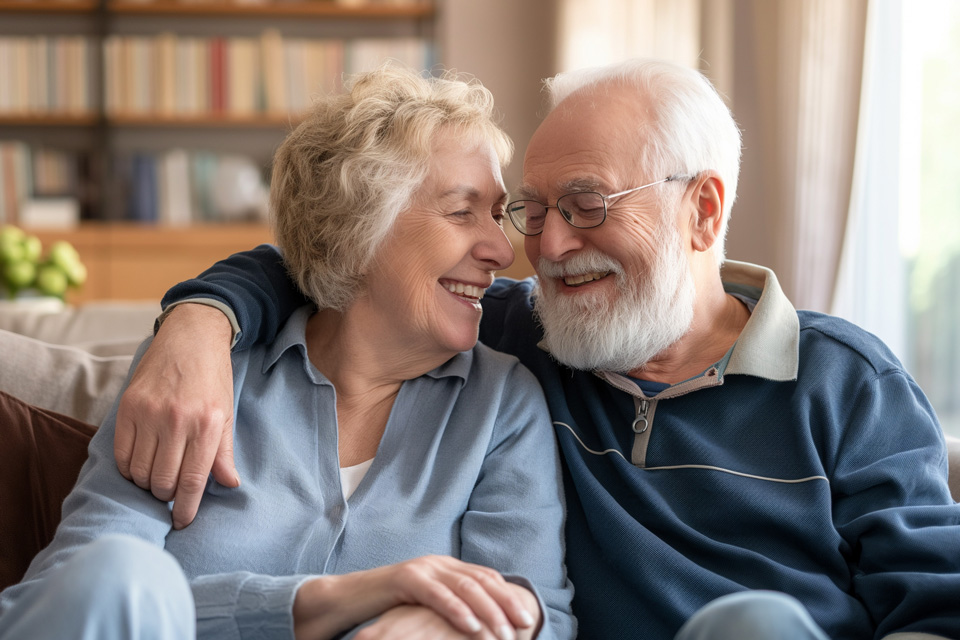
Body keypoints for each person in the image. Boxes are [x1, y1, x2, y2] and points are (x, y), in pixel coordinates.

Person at [111, 58, 960, 640]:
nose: (545, 248)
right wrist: (200, 319)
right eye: (534, 209)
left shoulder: (851, 382)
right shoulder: (523, 333)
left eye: (586, 204)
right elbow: (337, 257)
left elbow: (933, 600)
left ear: (703, 210)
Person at [0, 64, 576, 640]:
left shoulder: (503, 404)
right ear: (355, 232)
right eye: (461, 212)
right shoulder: (198, 377)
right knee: (119, 571)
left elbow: (538, 615)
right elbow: (69, 603)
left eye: (499, 215)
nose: (503, 251)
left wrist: (442, 627)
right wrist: (330, 601)